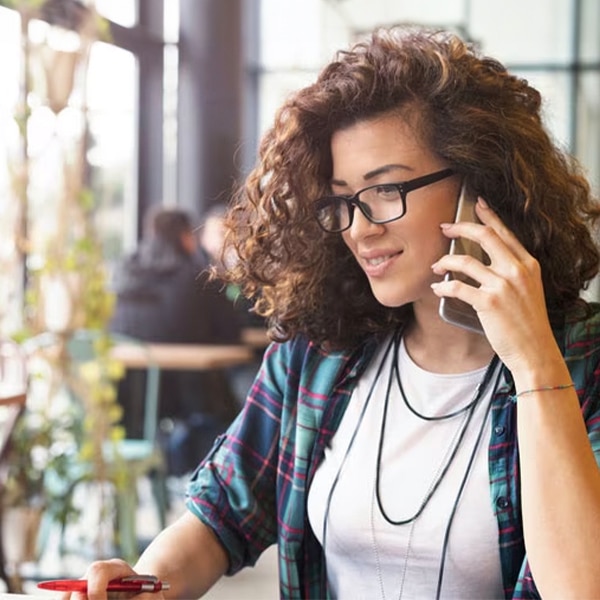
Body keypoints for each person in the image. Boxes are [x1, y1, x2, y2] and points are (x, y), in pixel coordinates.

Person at [72, 25, 600, 599]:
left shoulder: (582, 363)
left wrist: (534, 364)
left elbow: (581, 586)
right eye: (343, 199)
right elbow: (219, 517)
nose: (361, 227)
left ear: (480, 184)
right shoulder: (320, 352)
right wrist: (142, 588)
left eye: (386, 190)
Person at [109, 206, 242, 475]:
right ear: (186, 238)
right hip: (188, 398)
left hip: (129, 402)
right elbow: (232, 331)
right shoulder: (198, 278)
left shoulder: (124, 275)